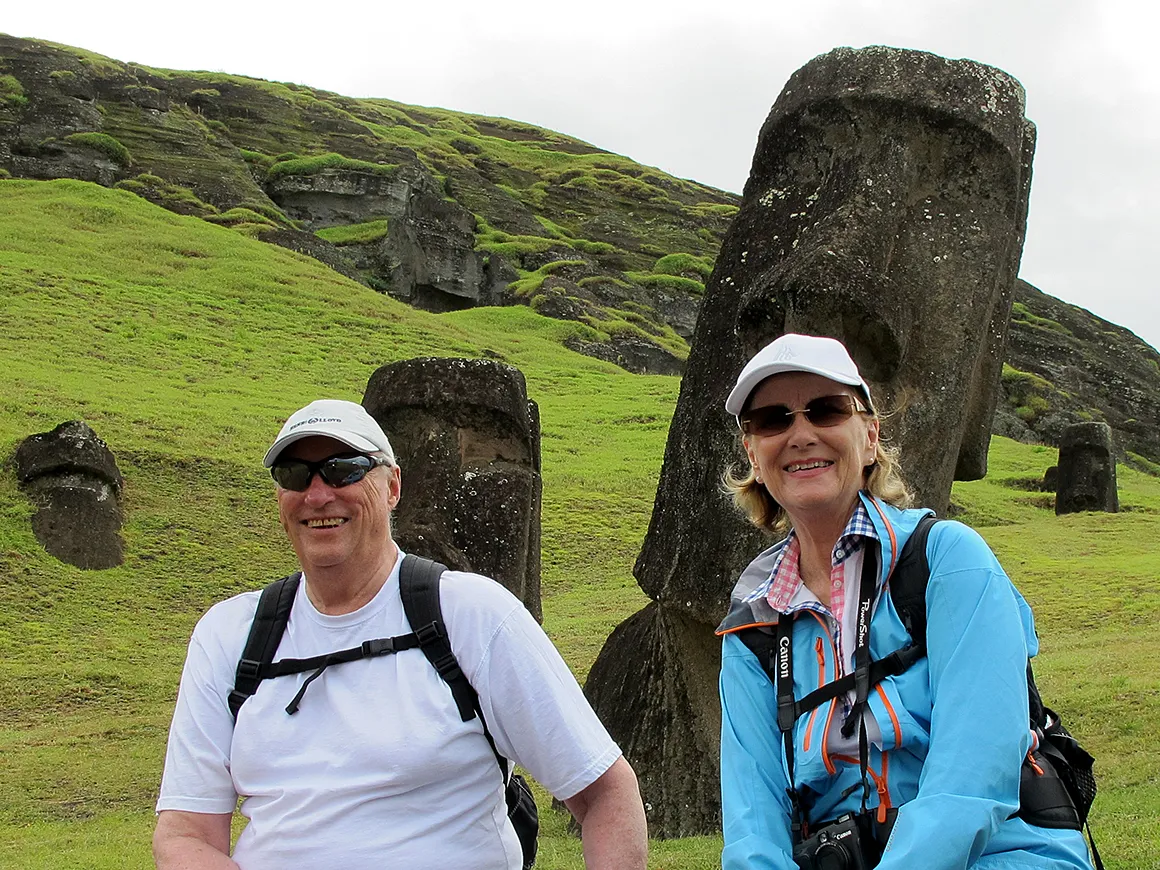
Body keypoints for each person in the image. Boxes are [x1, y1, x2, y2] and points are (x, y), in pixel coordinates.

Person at [154, 399, 648, 870]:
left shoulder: (471, 615)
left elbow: (602, 790)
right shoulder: (228, 635)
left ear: (392, 486)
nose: (318, 493)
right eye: (295, 474)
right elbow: (185, 834)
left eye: (344, 468)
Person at [715, 334, 1096, 869]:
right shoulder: (751, 621)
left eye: (826, 411)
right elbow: (753, 827)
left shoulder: (948, 561)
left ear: (870, 437)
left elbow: (971, 779)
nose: (800, 434)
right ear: (753, 453)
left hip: (999, 855)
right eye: (773, 420)